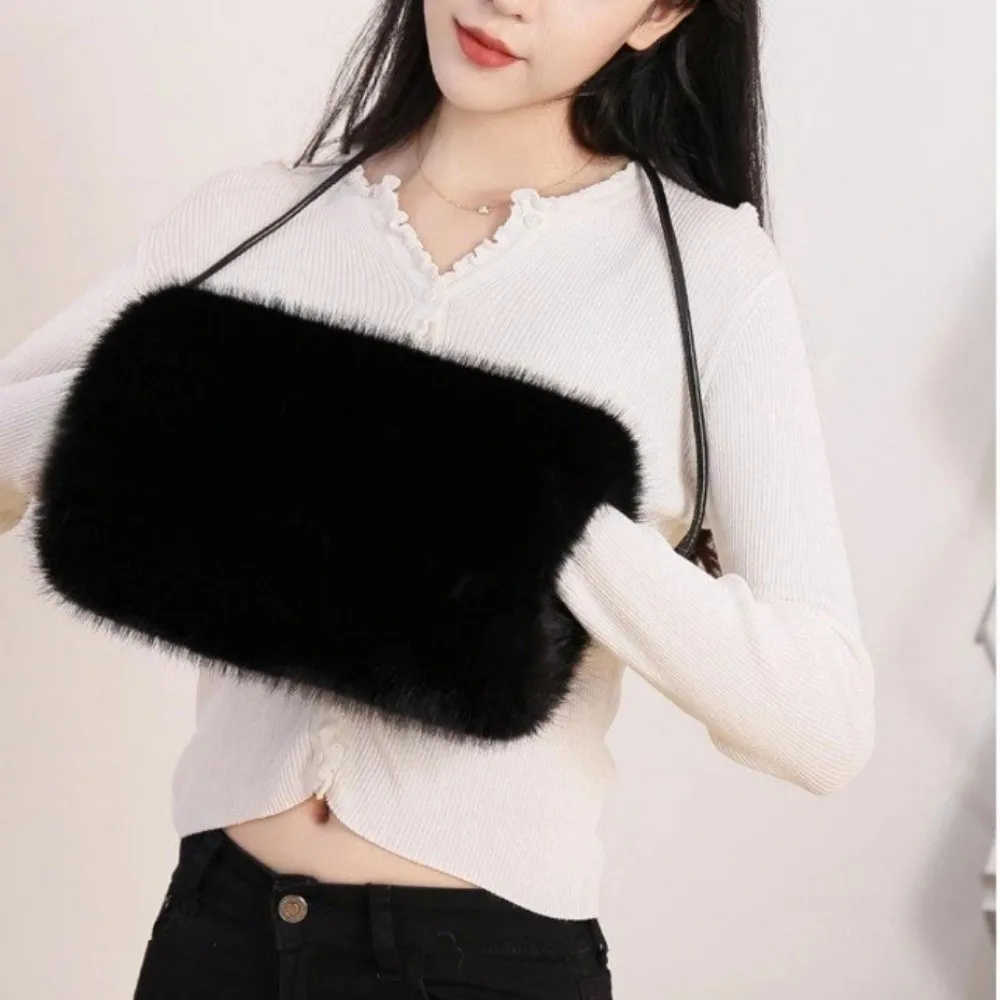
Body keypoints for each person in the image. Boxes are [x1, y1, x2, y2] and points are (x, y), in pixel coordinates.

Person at [0, 0, 877, 997]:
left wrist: (546, 514)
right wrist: (155, 397)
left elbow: (823, 722)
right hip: (215, 936)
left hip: (481, 963)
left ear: (660, 15)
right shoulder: (251, 218)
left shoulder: (710, 276)